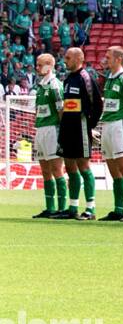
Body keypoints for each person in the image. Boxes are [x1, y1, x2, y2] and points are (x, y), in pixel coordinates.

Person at [58, 46, 101, 220]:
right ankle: (73, 207)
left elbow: (97, 104)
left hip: (81, 128)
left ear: (78, 59)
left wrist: (90, 125)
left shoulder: (86, 78)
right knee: (69, 167)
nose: (65, 60)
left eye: (68, 58)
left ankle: (90, 208)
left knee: (83, 166)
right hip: (67, 129)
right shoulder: (67, 79)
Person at [31, 53, 68, 219]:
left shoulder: (55, 85)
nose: (37, 68)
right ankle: (50, 207)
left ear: (49, 66)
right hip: (41, 129)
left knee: (56, 169)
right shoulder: (40, 85)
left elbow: (62, 110)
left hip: (53, 129)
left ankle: (62, 207)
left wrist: (63, 131)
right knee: (45, 170)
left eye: (40, 65)